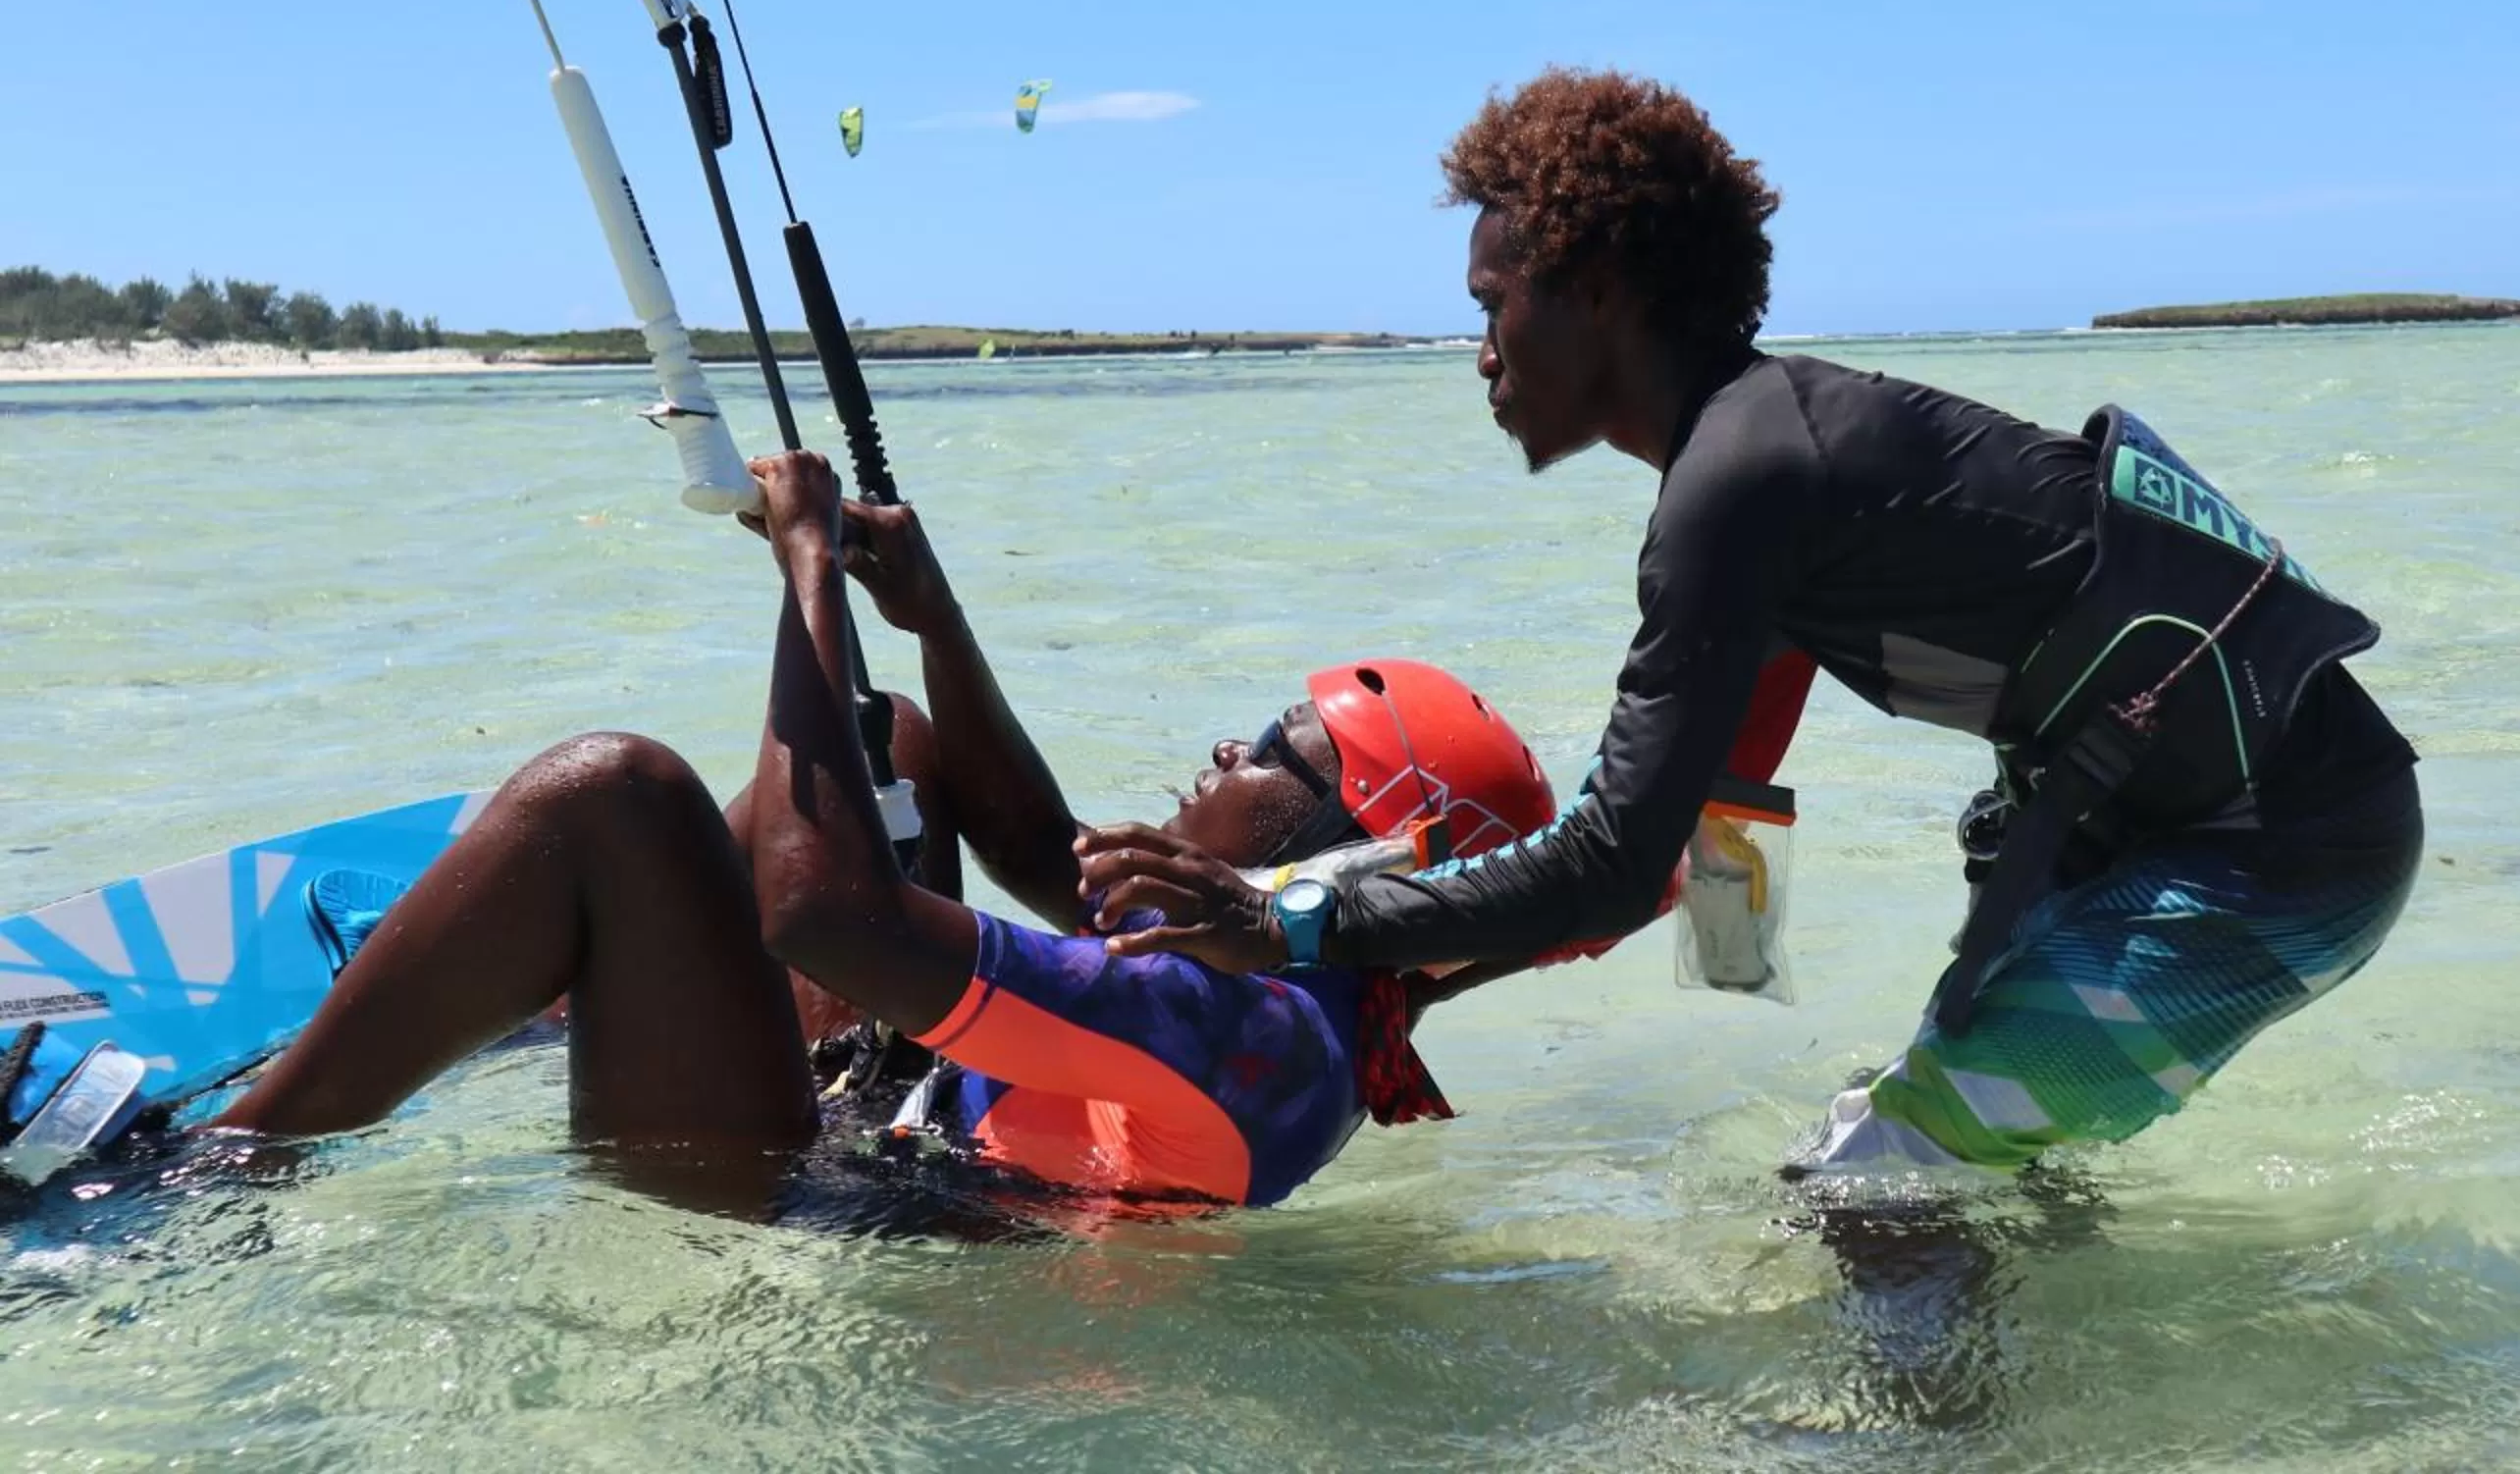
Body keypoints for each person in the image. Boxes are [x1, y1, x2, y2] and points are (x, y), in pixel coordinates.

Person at [1076, 67, 2425, 1174]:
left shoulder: (1743, 480)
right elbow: (1677, 858)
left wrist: (1297, 927)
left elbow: (1608, 864)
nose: (1480, 353)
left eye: (1493, 306)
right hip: (2241, 830)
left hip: (2274, 860)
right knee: (1918, 1144)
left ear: (1595, 285)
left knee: (1873, 1189)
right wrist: (1395, 970)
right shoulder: (1778, 458)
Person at [191, 452, 1562, 1209]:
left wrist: (806, 583)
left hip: (810, 1215)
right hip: (879, 1112)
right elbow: (1042, 848)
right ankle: (562, 998)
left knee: (617, 796)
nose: (1229, 747)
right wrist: (932, 612)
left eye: (1277, 748)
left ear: (1354, 852)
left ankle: (219, 1181)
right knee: (888, 738)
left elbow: (818, 917)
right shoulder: (1283, 968)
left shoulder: (1244, 1029)